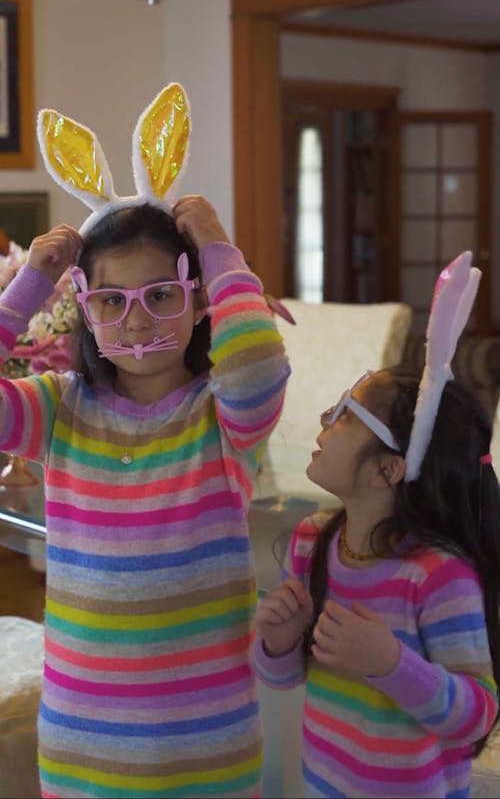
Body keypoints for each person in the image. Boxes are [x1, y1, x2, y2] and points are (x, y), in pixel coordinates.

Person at [0, 84, 290, 799]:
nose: (135, 322)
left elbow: (259, 362)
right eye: (111, 302)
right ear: (84, 306)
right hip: (80, 750)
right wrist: (28, 285)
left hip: (208, 750)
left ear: (197, 301)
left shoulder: (223, 417)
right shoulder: (60, 408)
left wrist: (219, 247)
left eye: (161, 294)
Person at [253, 251, 500, 798]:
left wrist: (390, 663)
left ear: (389, 469)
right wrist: (276, 641)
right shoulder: (313, 540)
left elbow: (478, 716)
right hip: (321, 785)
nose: (325, 419)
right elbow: (286, 678)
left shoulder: (437, 574)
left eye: (346, 414)